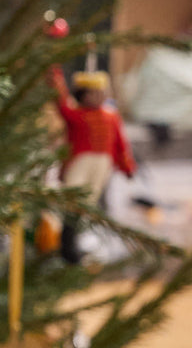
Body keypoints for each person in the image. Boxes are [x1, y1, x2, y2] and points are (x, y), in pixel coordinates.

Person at [49, 66, 137, 263]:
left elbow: (120, 143)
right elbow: (61, 102)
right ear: (83, 95)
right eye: (94, 93)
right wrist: (55, 76)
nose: (100, 96)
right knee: (73, 201)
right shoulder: (76, 115)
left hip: (103, 165)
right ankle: (67, 245)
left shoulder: (111, 116)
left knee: (90, 202)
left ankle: (80, 242)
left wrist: (127, 165)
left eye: (102, 92)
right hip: (79, 163)